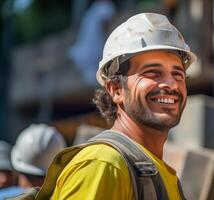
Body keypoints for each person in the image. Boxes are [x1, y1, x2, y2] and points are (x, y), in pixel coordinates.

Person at [51, 13, 197, 199]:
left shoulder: (161, 175)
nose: (171, 84)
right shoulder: (103, 165)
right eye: (153, 73)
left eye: (178, 75)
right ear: (116, 89)